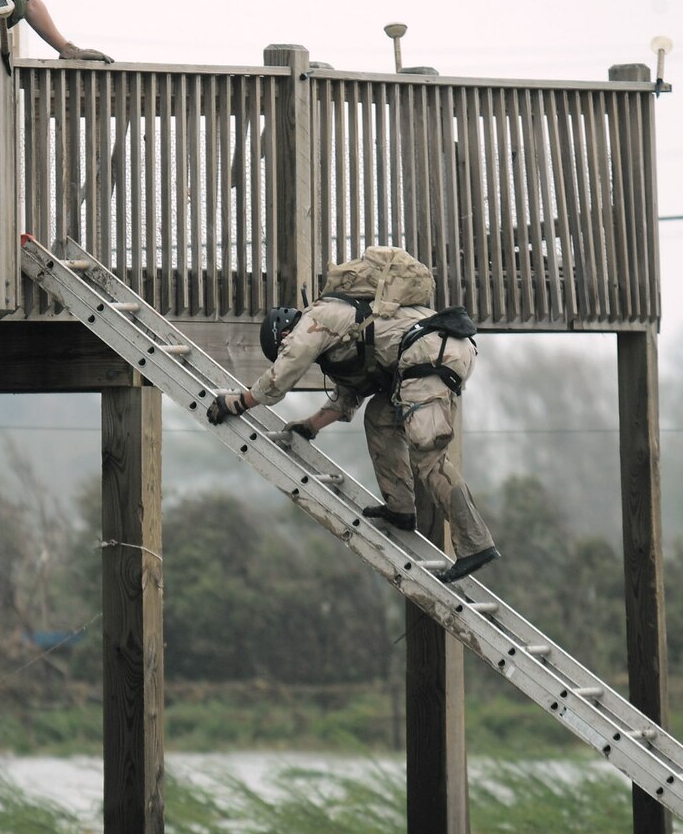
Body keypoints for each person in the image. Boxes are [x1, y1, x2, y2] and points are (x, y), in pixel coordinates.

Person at [205, 248, 499, 584]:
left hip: (431, 356)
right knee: (380, 416)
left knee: (429, 457)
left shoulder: (318, 317)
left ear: (283, 333)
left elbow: (279, 378)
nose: (287, 349)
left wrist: (237, 403)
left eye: (283, 346)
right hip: (427, 357)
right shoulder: (346, 328)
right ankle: (401, 508)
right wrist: (312, 424)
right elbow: (353, 394)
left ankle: (475, 543)